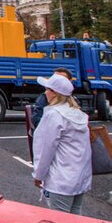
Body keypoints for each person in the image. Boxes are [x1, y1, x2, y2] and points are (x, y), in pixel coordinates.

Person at [32, 73, 92, 214]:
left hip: (60, 180)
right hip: (79, 178)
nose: (45, 92)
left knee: (60, 220)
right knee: (75, 217)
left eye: (47, 89)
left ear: (54, 93)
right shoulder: (78, 114)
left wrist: (38, 175)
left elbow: (46, 150)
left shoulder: (54, 115)